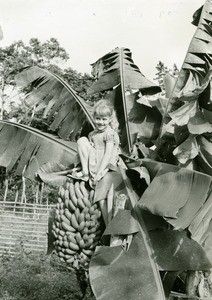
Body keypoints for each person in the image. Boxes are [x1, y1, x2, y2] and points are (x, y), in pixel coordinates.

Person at [69, 99, 120, 186]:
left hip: (103, 164)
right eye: (98, 119)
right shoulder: (92, 134)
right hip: (93, 160)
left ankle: (91, 174)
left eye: (104, 119)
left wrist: (99, 173)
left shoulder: (109, 134)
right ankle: (85, 172)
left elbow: (108, 154)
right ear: (94, 118)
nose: (100, 122)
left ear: (110, 119)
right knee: (82, 140)